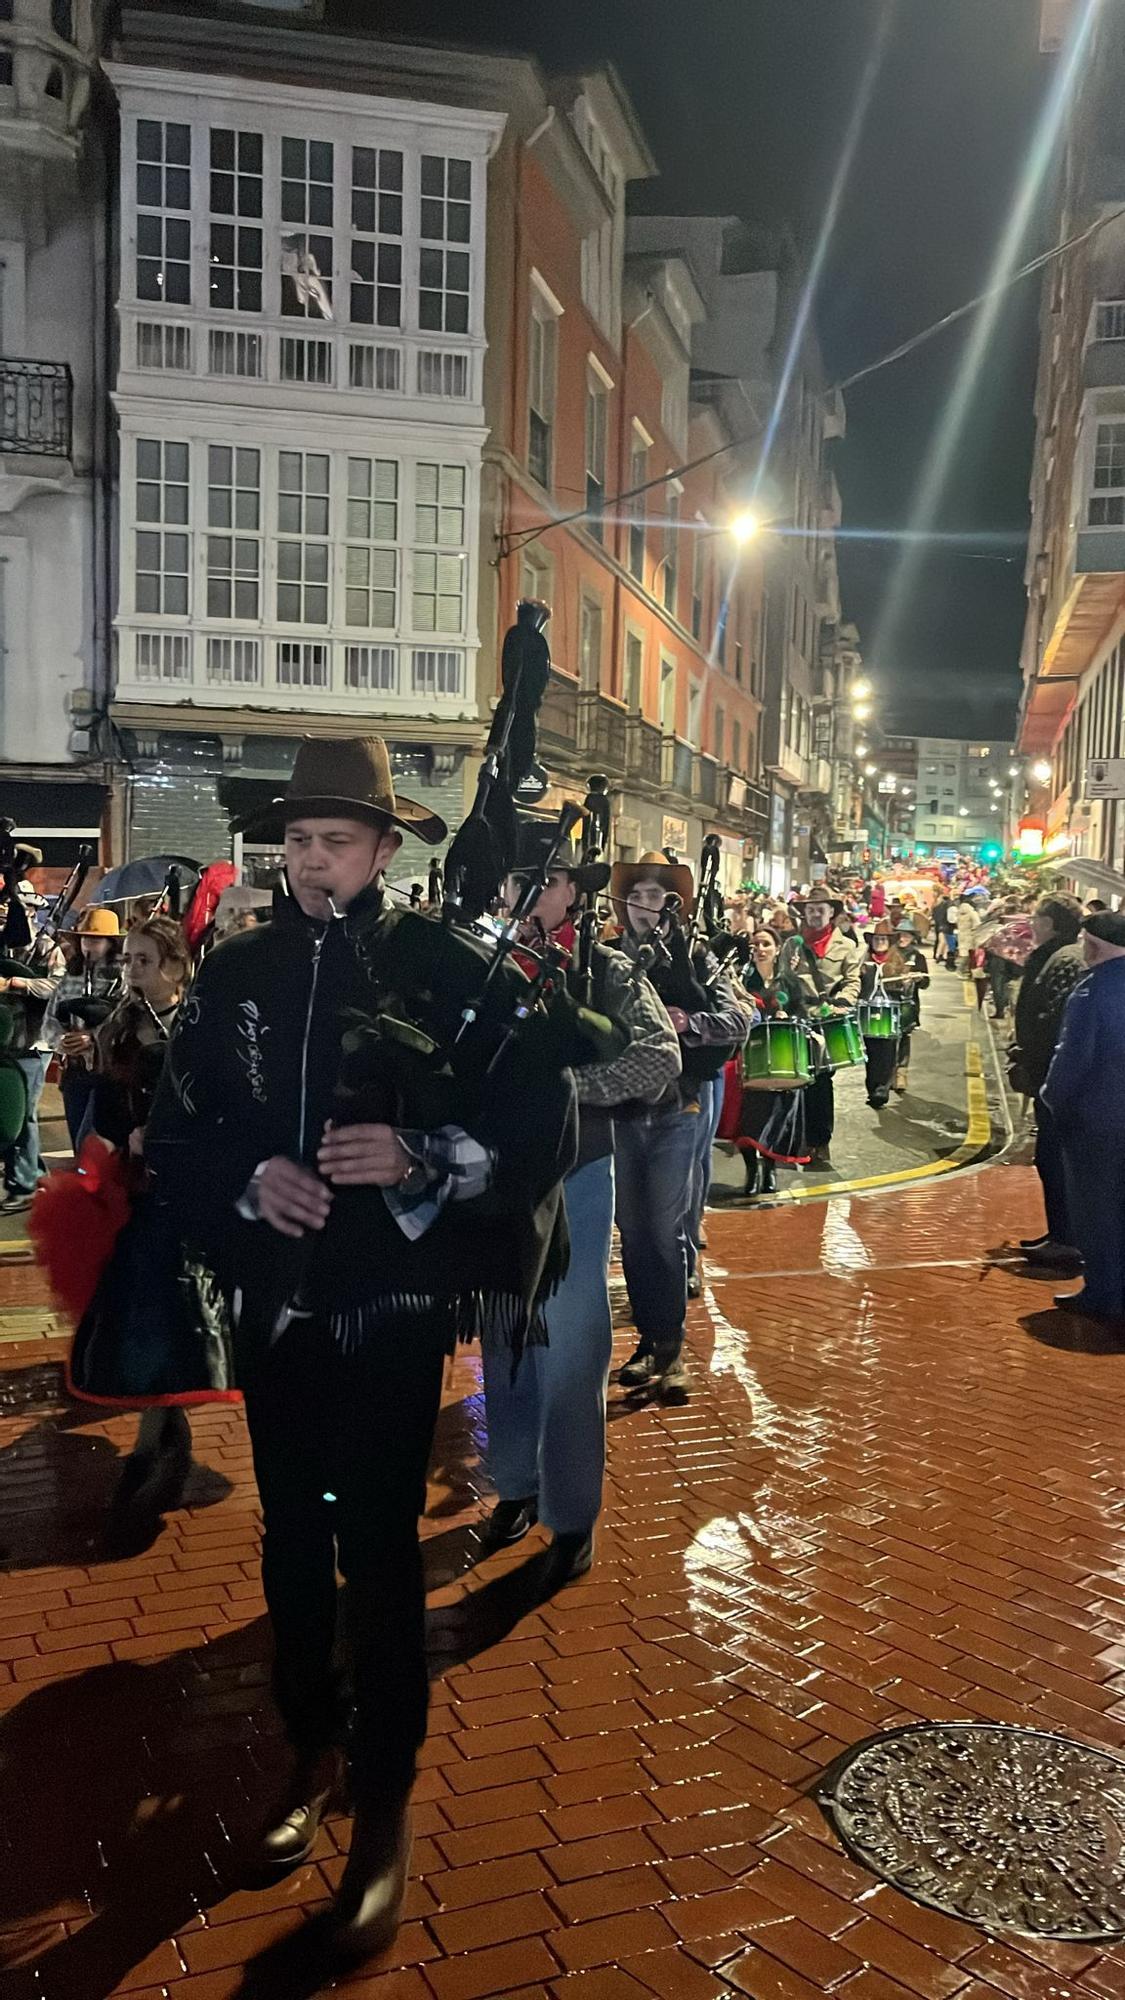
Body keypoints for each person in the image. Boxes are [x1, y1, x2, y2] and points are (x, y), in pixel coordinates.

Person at [145, 736, 577, 1960]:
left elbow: (539, 1124)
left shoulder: (452, 970)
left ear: (387, 850)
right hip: (280, 1316)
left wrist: (421, 1156)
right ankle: (308, 1745)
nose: (312, 864)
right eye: (297, 842)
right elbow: (182, 1133)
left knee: (378, 1548)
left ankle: (382, 1793)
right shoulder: (241, 970)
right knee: (293, 1536)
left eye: (337, 841)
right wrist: (248, 1178)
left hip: (389, 1316)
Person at [480, 822, 680, 1576]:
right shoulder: (479, 964)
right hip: (496, 1179)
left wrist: (563, 1092)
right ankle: (514, 1484)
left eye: (544, 881)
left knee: (571, 1340)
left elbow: (657, 1056)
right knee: (503, 1335)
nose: (526, 896)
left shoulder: (606, 971)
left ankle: (570, 1516)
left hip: (577, 1175)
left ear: (571, 891)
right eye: (514, 882)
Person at [608, 852, 751, 1402]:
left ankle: (669, 1347)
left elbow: (741, 1017)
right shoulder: (604, 959)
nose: (645, 907)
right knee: (636, 1232)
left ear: (675, 905)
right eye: (636, 896)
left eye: (656, 896)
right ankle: (652, 1343)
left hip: (677, 1110)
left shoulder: (699, 957)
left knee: (665, 1231)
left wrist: (691, 1022)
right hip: (622, 1114)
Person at [76, 915, 200, 1511]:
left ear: (174, 965)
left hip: (200, 1192)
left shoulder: (204, 1021)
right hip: (143, 1192)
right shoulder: (118, 1028)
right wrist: (131, 1134)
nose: (131, 970)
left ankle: (167, 1427)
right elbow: (101, 1114)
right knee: (149, 1309)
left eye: (144, 960)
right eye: (128, 959)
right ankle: (157, 1435)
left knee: (190, 1314)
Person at [1042, 909, 1125, 1321]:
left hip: (1098, 1122)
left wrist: (1051, 1099)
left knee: (1097, 1210)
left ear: (1091, 944)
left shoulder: (1093, 992)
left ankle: (1104, 1293)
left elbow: (1071, 1059)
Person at [1009, 893, 1087, 1273]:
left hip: (1050, 1079)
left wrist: (1030, 1059)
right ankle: (1060, 1234)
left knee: (1055, 1160)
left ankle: (1066, 1240)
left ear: (1051, 923)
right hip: (1043, 1074)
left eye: (1037, 918)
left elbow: (1052, 1020)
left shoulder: (1064, 959)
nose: (1031, 923)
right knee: (1049, 1159)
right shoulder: (1056, 956)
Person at [777, 894, 862, 1169]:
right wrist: (779, 1005)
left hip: (827, 1019)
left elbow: (852, 980)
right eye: (810, 909)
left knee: (822, 1081)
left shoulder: (846, 945)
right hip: (797, 1017)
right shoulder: (793, 944)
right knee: (794, 1079)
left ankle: (820, 1140)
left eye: (820, 909)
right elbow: (781, 982)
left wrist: (845, 1003)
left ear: (831, 913)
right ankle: (795, 1138)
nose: (814, 914)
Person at [730, 925, 810, 1193]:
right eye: (755, 945)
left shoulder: (790, 982)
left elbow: (803, 1014)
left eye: (765, 944)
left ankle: (770, 1171)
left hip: (782, 1058)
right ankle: (752, 1173)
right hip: (752, 1057)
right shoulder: (742, 982)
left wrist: (792, 1019)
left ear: (777, 950)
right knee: (749, 1119)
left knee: (778, 1118)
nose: (760, 949)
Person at [43, 907, 125, 1147]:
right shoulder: (71, 977)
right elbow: (51, 1018)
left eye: (96, 939)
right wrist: (60, 1041)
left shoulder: (123, 978)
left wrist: (93, 1038)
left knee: (101, 1141)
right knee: (78, 1136)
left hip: (108, 1069)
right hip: (75, 1071)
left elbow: (126, 1019)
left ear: (110, 942)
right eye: (85, 939)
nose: (89, 945)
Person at [0, 912, 66, 1211]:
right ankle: (35, 1176)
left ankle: (25, 1185)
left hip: (33, 1041)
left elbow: (59, 988)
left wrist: (16, 982)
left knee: (23, 1115)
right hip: (6, 1042)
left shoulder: (47, 948)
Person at [889, 917, 930, 1092]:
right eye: (900, 935)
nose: (903, 938)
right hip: (889, 1001)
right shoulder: (888, 954)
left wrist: (918, 979)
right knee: (887, 1039)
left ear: (913, 937)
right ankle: (888, 1074)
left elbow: (926, 983)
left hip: (908, 1003)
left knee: (904, 1037)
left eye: (907, 935)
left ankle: (901, 1074)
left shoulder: (917, 956)